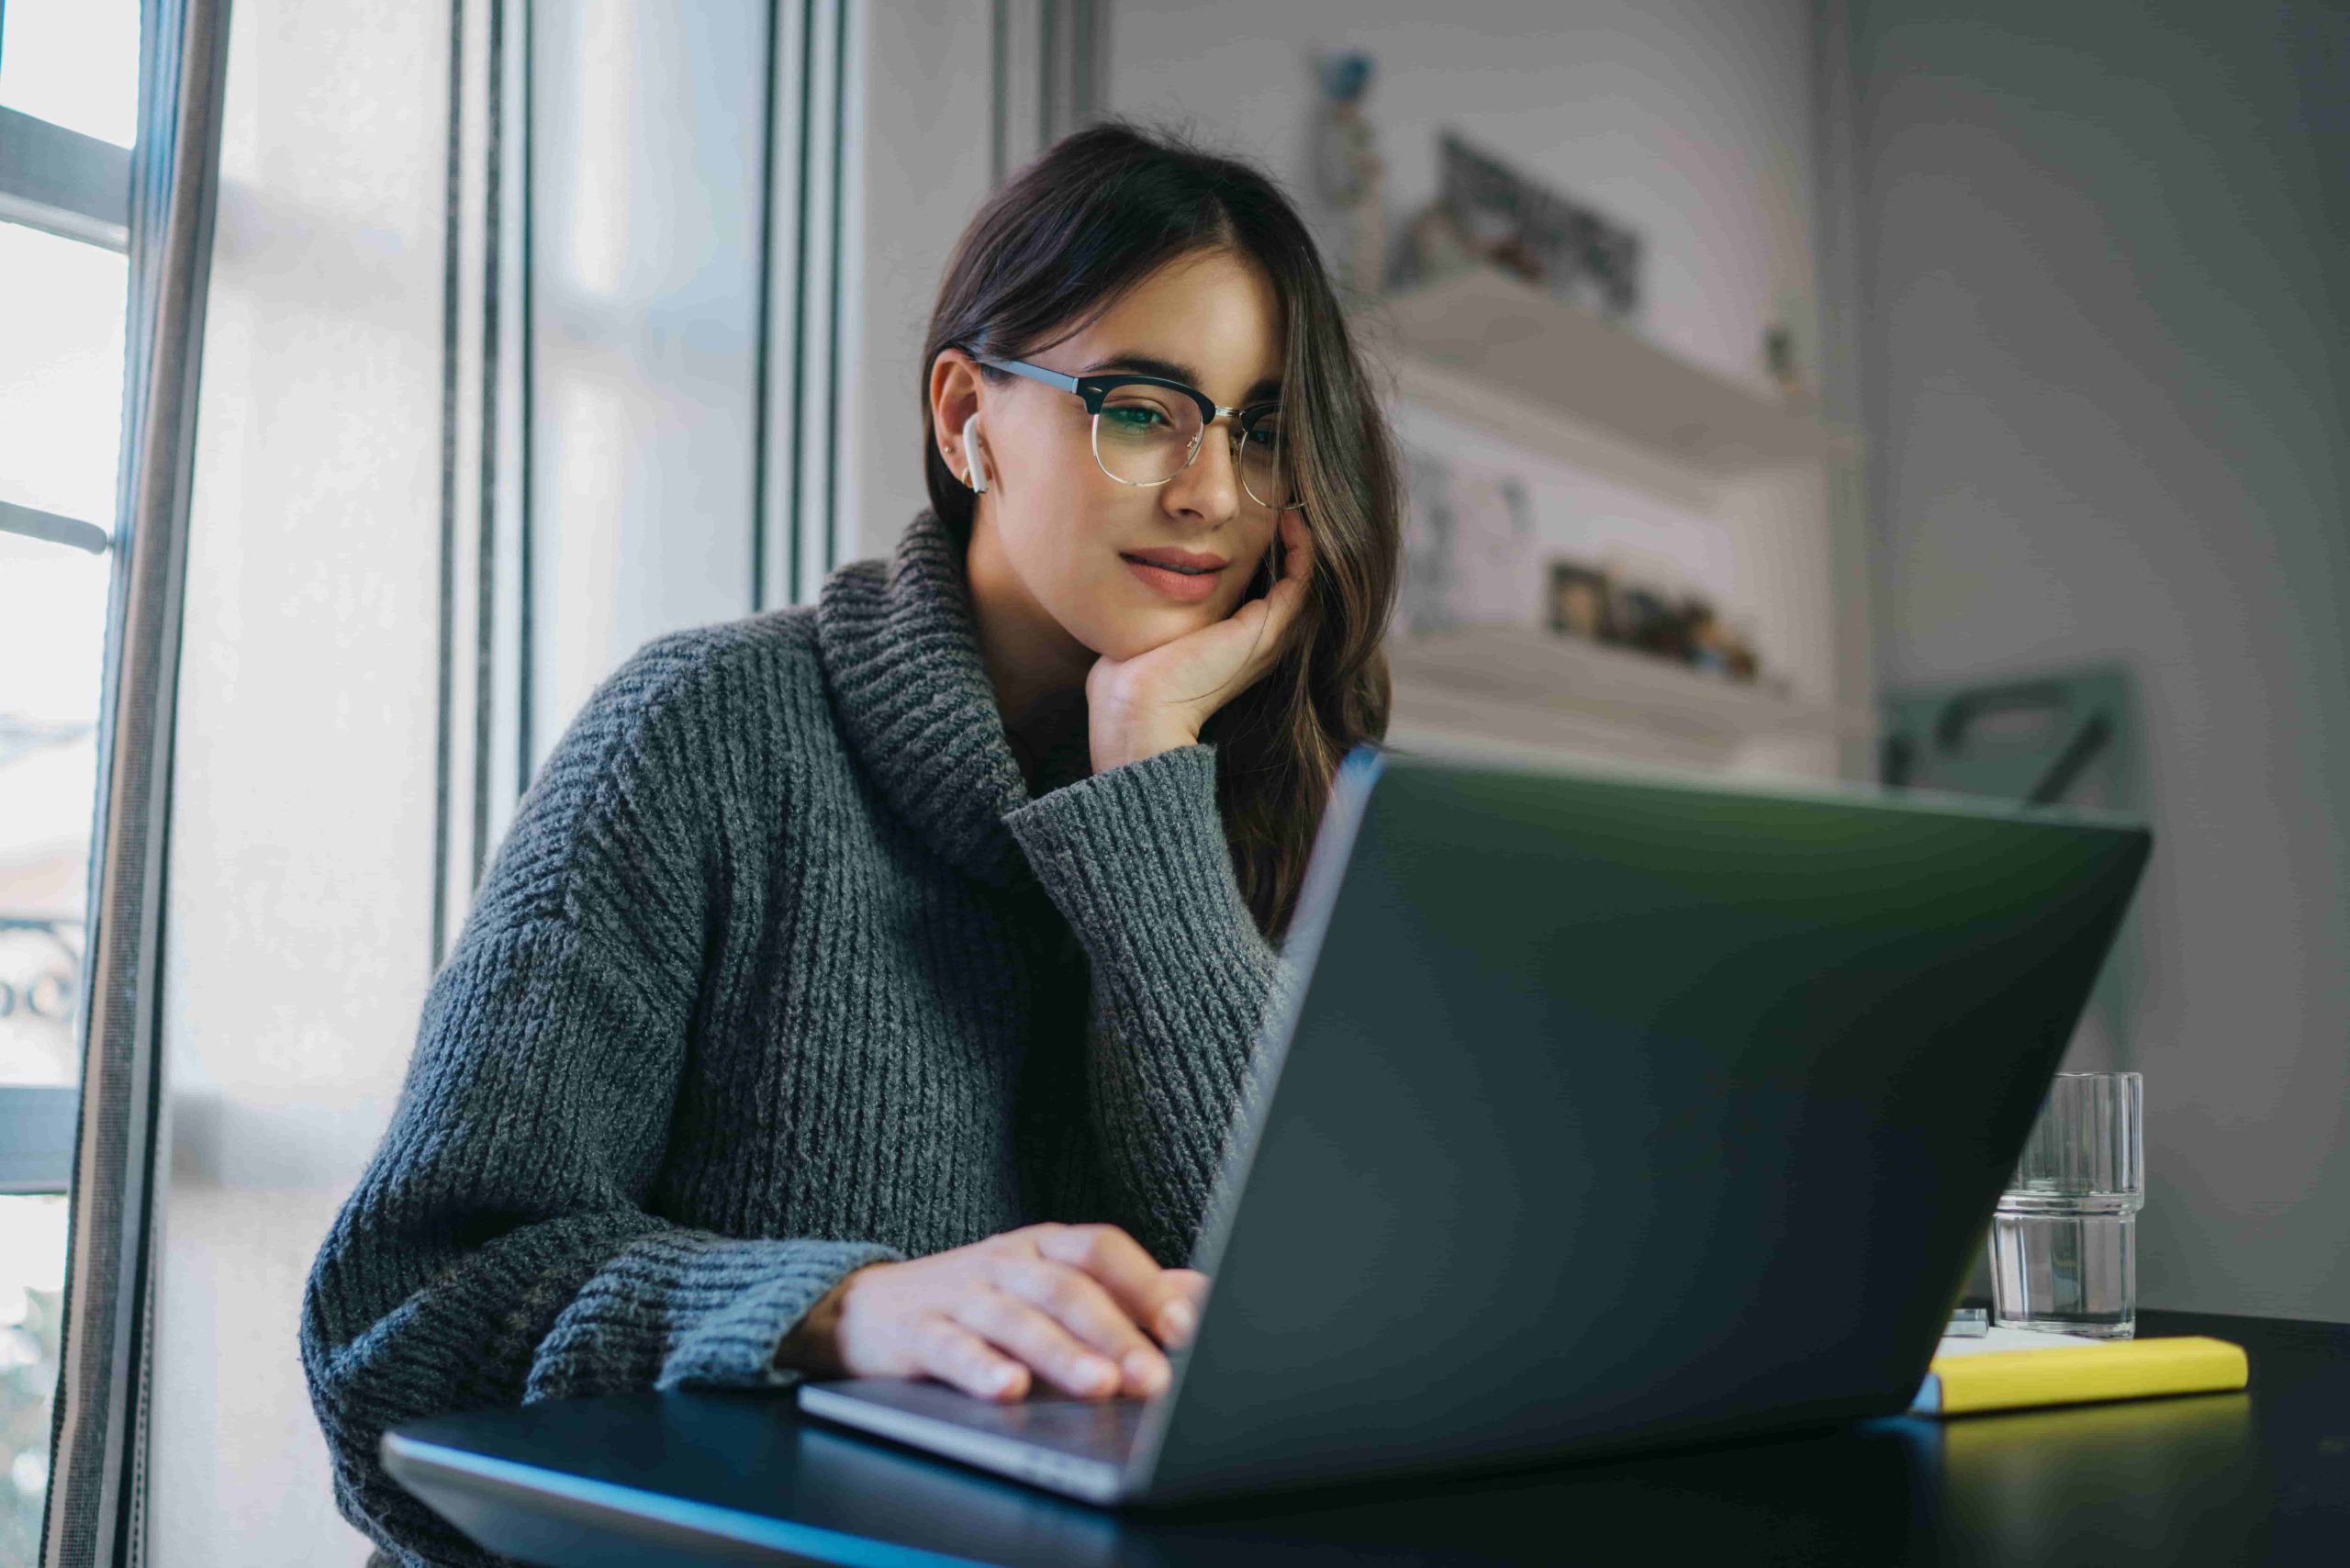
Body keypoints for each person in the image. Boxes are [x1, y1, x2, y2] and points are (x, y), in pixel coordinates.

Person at [298, 120, 1401, 1566]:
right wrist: (835, 1312)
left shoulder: (1258, 792)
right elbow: (403, 1323)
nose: (1212, 492)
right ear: (966, 418)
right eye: (1144, 408)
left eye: (1261, 430)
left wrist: (1146, 788)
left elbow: (1296, 1343)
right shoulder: (705, 732)